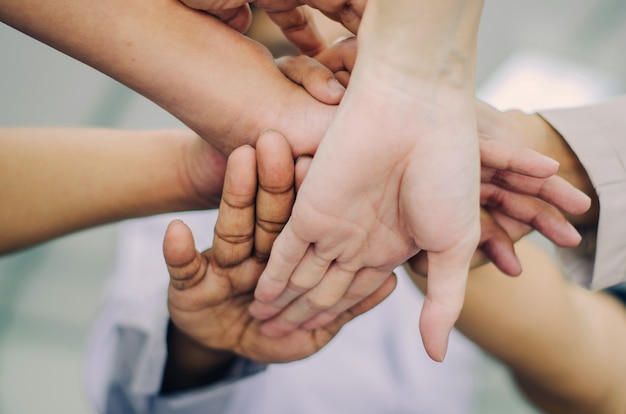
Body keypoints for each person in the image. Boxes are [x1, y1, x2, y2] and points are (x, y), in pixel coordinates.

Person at [87, 97, 626, 414]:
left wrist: (448, 198)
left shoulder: (475, 145)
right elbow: (128, 393)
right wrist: (197, 355)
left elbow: (590, 365)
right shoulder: (189, 199)